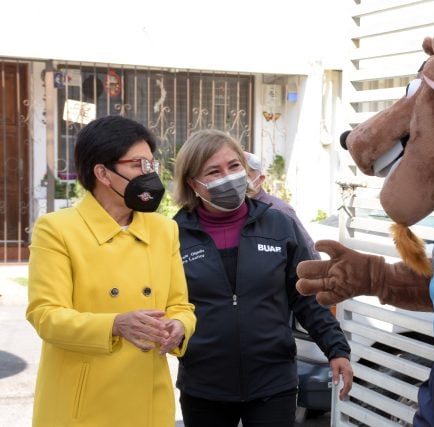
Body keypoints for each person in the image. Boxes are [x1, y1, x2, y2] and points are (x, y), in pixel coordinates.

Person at [172, 129, 353, 427]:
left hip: (273, 382)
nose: (228, 176)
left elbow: (305, 298)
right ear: (194, 184)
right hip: (204, 385)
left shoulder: (279, 225)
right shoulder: (174, 235)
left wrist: (336, 349)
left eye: (234, 166)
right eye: (214, 171)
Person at [26, 115, 196, 427]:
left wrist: (180, 326)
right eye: (137, 165)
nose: (149, 174)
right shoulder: (57, 229)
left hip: (149, 402)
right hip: (82, 408)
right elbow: (46, 315)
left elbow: (181, 305)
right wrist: (115, 325)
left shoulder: (164, 229)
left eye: (151, 165)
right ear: (103, 172)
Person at [245, 151, 320, 259]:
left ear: (260, 179)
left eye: (246, 175)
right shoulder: (232, 210)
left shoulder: (279, 209)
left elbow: (309, 252)